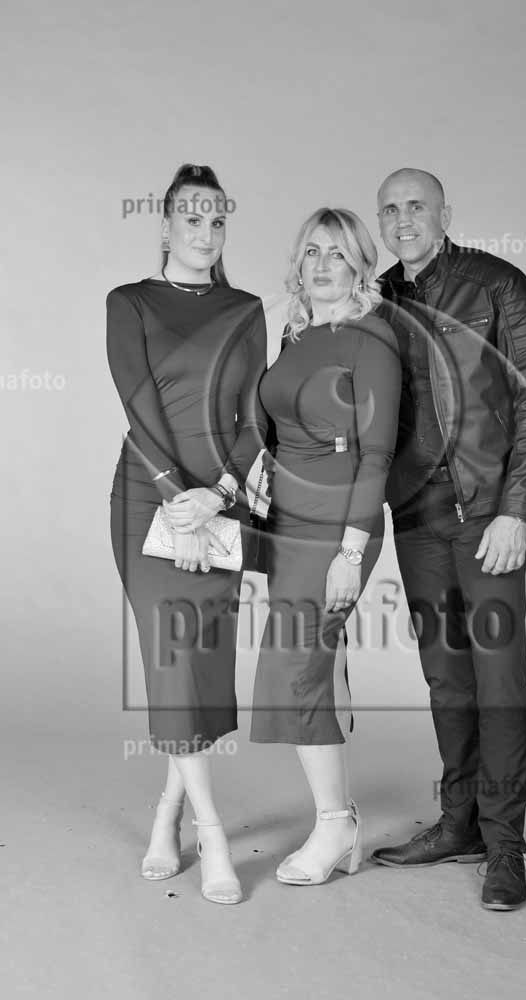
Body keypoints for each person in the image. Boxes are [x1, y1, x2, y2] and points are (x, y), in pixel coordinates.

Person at [369, 168, 526, 910]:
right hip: (415, 519)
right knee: (446, 678)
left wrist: (517, 509)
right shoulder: (379, 299)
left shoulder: (497, 283)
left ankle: (505, 846)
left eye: (416, 205)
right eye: (390, 209)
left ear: (444, 212)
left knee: (498, 680)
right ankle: (459, 824)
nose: (403, 219)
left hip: (486, 515)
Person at [107, 163, 267, 904]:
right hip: (149, 500)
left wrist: (220, 497)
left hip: (220, 501)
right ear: (166, 224)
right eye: (191, 218)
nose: (205, 232)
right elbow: (138, 410)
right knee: (172, 663)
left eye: (216, 220)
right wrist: (180, 501)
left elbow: (253, 420)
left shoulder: (247, 308)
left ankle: (167, 811)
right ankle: (214, 835)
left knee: (200, 666)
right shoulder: (129, 302)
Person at [249, 207, 401, 885]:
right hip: (287, 523)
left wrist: (350, 553)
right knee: (305, 667)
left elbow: (376, 454)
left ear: (360, 265)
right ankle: (338, 820)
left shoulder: (372, 339)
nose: (321, 264)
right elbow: (280, 425)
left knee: (301, 669)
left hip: (339, 526)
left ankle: (336, 824)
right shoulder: (297, 332)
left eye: (337, 253)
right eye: (311, 251)